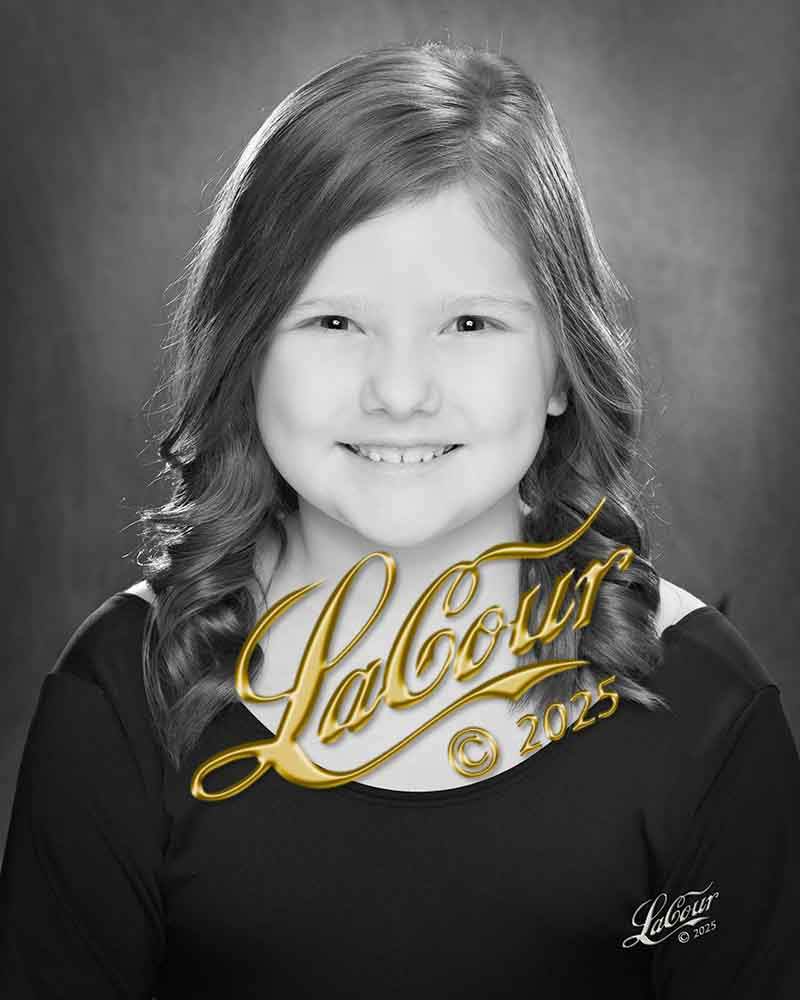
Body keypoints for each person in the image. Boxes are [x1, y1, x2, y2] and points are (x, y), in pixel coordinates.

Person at [1, 40, 798, 998]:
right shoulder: (122, 692)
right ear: (245, 355)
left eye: (470, 324)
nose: (401, 393)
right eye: (335, 322)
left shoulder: (707, 708)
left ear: (561, 368)